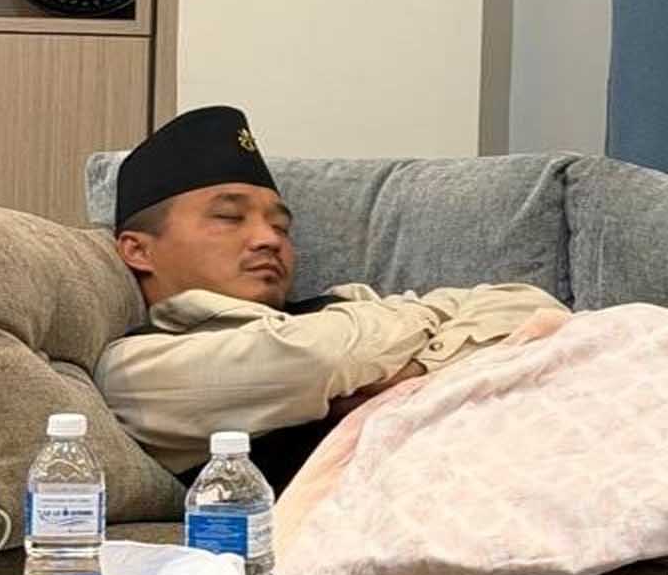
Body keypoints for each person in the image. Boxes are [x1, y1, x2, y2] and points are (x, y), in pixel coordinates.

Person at [94, 106, 565, 487]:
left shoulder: (343, 307)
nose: (269, 239)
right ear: (138, 250)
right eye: (229, 218)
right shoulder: (137, 367)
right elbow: (315, 360)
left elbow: (535, 306)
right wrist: (429, 326)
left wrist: (417, 371)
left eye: (281, 226)